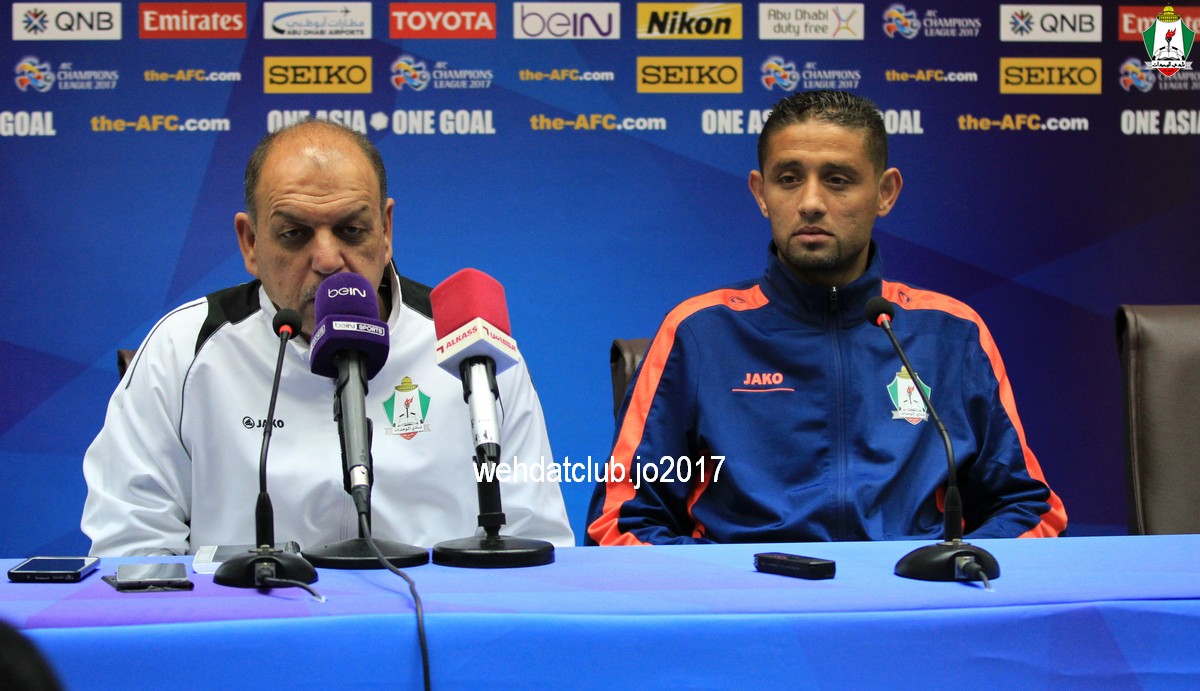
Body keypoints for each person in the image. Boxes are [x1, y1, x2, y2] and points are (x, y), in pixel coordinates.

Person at [586, 90, 1066, 545]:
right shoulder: (698, 333)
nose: (811, 202)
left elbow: (1030, 510)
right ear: (761, 192)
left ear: (885, 192)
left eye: (837, 179)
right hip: (751, 598)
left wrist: (946, 570)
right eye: (788, 178)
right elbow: (620, 522)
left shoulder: (952, 333)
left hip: (912, 593)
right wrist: (736, 583)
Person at [82, 119, 573, 556]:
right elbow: (131, 547)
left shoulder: (470, 344)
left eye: (352, 230)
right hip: (253, 622)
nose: (327, 259)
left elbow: (538, 538)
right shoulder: (184, 347)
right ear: (250, 243)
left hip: (434, 621)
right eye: (294, 234)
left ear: (385, 230)